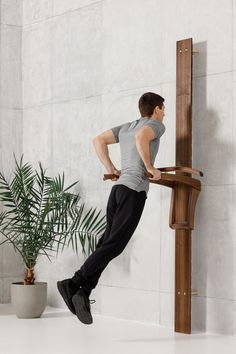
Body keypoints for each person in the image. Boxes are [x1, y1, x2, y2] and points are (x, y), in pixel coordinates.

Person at [57, 92, 166, 325]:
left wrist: (112, 168)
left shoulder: (127, 126)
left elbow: (98, 140)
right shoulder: (155, 125)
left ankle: (83, 292)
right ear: (156, 109)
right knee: (114, 245)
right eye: (163, 109)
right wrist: (151, 167)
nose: (164, 113)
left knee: (107, 244)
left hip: (117, 192)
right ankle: (73, 283)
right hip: (134, 191)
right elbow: (141, 138)